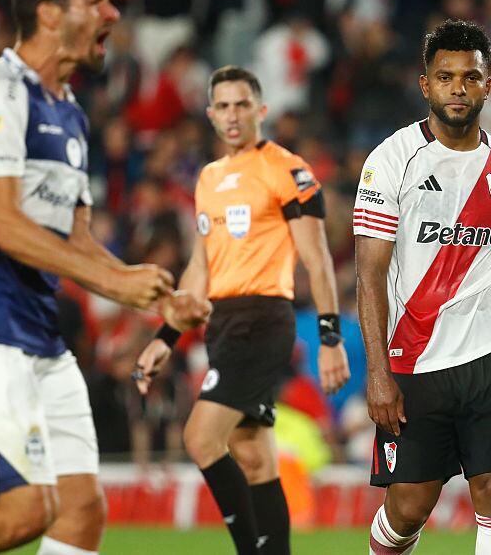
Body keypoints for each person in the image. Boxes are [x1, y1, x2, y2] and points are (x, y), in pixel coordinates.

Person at [0, 0, 204, 555]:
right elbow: (3, 224)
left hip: (39, 331)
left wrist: (157, 294)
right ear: (47, 12)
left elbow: (77, 239)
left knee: (83, 511)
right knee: (25, 512)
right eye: (96, 1)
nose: (114, 13)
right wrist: (114, 287)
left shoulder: (71, 113)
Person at [354, 19, 491, 555]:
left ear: (489, 84)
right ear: (425, 85)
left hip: (490, 354)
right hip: (414, 361)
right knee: (410, 506)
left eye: (470, 77)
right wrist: (377, 372)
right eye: (445, 77)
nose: (458, 88)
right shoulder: (391, 161)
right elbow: (369, 273)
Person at [134, 65, 351, 554]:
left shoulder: (287, 170)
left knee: (200, 438)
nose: (232, 115)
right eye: (223, 106)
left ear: (261, 110)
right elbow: (199, 269)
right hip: (222, 324)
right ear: (211, 115)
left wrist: (329, 338)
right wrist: (164, 339)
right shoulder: (208, 179)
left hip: (263, 319)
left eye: (241, 104)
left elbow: (317, 260)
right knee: (253, 456)